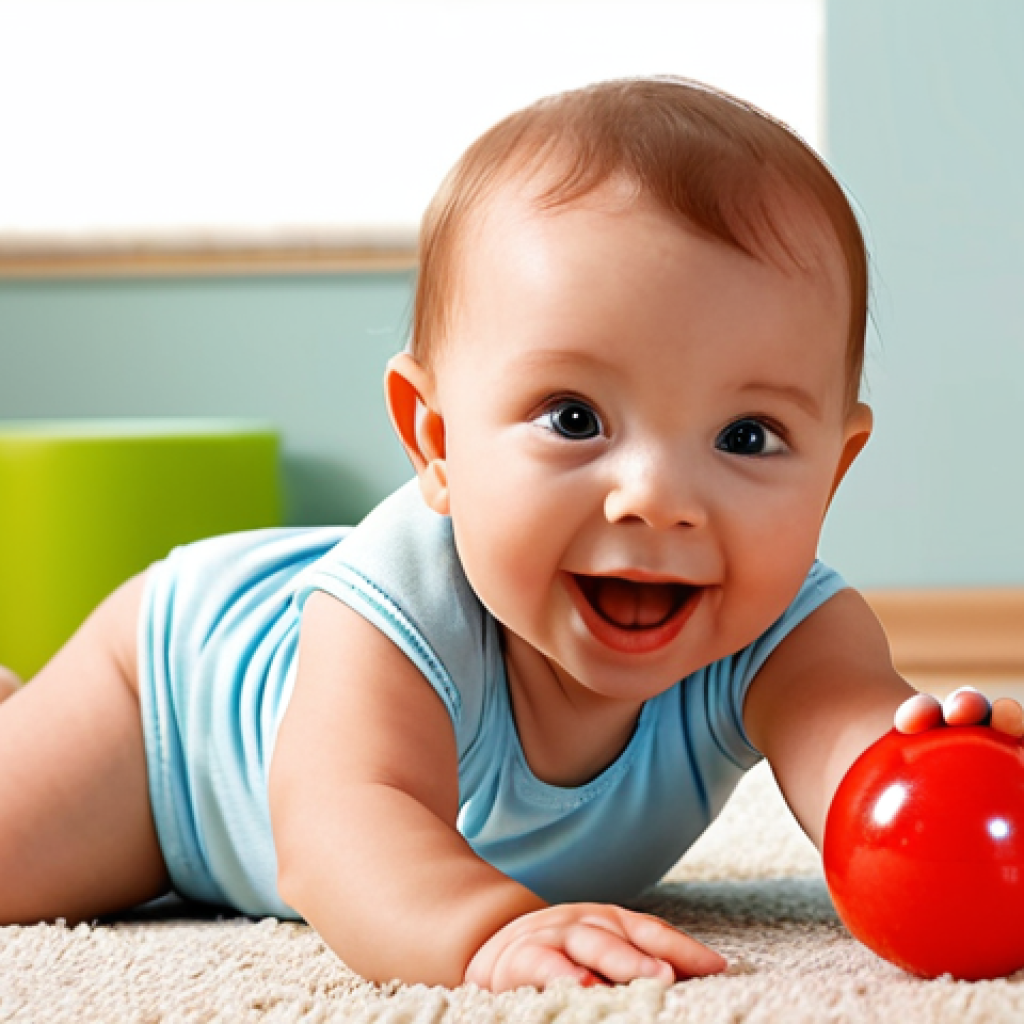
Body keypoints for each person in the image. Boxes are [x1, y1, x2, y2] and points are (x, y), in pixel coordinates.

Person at [0, 77, 1018, 993]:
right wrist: (484, 928)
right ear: (435, 442)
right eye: (574, 418)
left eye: (746, 436)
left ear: (832, 472)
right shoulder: (398, 606)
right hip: (173, 715)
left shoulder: (793, 628)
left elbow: (859, 759)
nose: (655, 499)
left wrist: (945, 768)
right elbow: (336, 823)